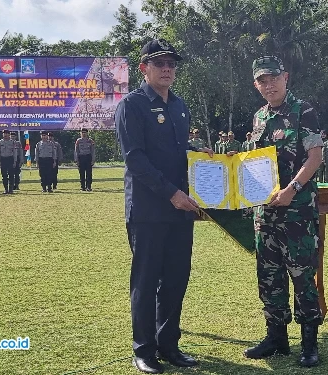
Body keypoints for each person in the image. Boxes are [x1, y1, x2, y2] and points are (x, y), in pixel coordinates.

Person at [115, 38, 213, 374]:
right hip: (148, 210)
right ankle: (143, 350)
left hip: (181, 209)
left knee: (175, 278)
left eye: (171, 63)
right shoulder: (132, 105)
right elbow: (135, 159)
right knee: (146, 281)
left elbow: (180, 151)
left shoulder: (179, 106)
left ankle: (169, 345)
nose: (167, 68)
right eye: (159, 63)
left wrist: (208, 163)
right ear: (144, 68)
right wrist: (171, 192)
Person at [244, 56, 323, 368]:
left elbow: (315, 157)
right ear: (256, 85)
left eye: (274, 78)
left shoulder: (303, 111)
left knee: (303, 277)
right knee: (269, 277)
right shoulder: (258, 117)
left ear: (285, 77)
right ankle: (276, 338)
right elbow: (255, 162)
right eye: (262, 80)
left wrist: (292, 189)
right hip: (265, 215)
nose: (269, 85)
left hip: (297, 214)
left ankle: (309, 344)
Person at [0, 129, 17, 194]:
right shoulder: (0, 142)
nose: (5, 135)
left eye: (7, 133)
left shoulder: (13, 142)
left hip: (10, 159)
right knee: (4, 175)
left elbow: (15, 152)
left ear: (9, 134)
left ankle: (11, 189)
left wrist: (15, 161)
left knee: (11, 175)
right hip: (3, 159)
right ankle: (6, 189)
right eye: (4, 133)